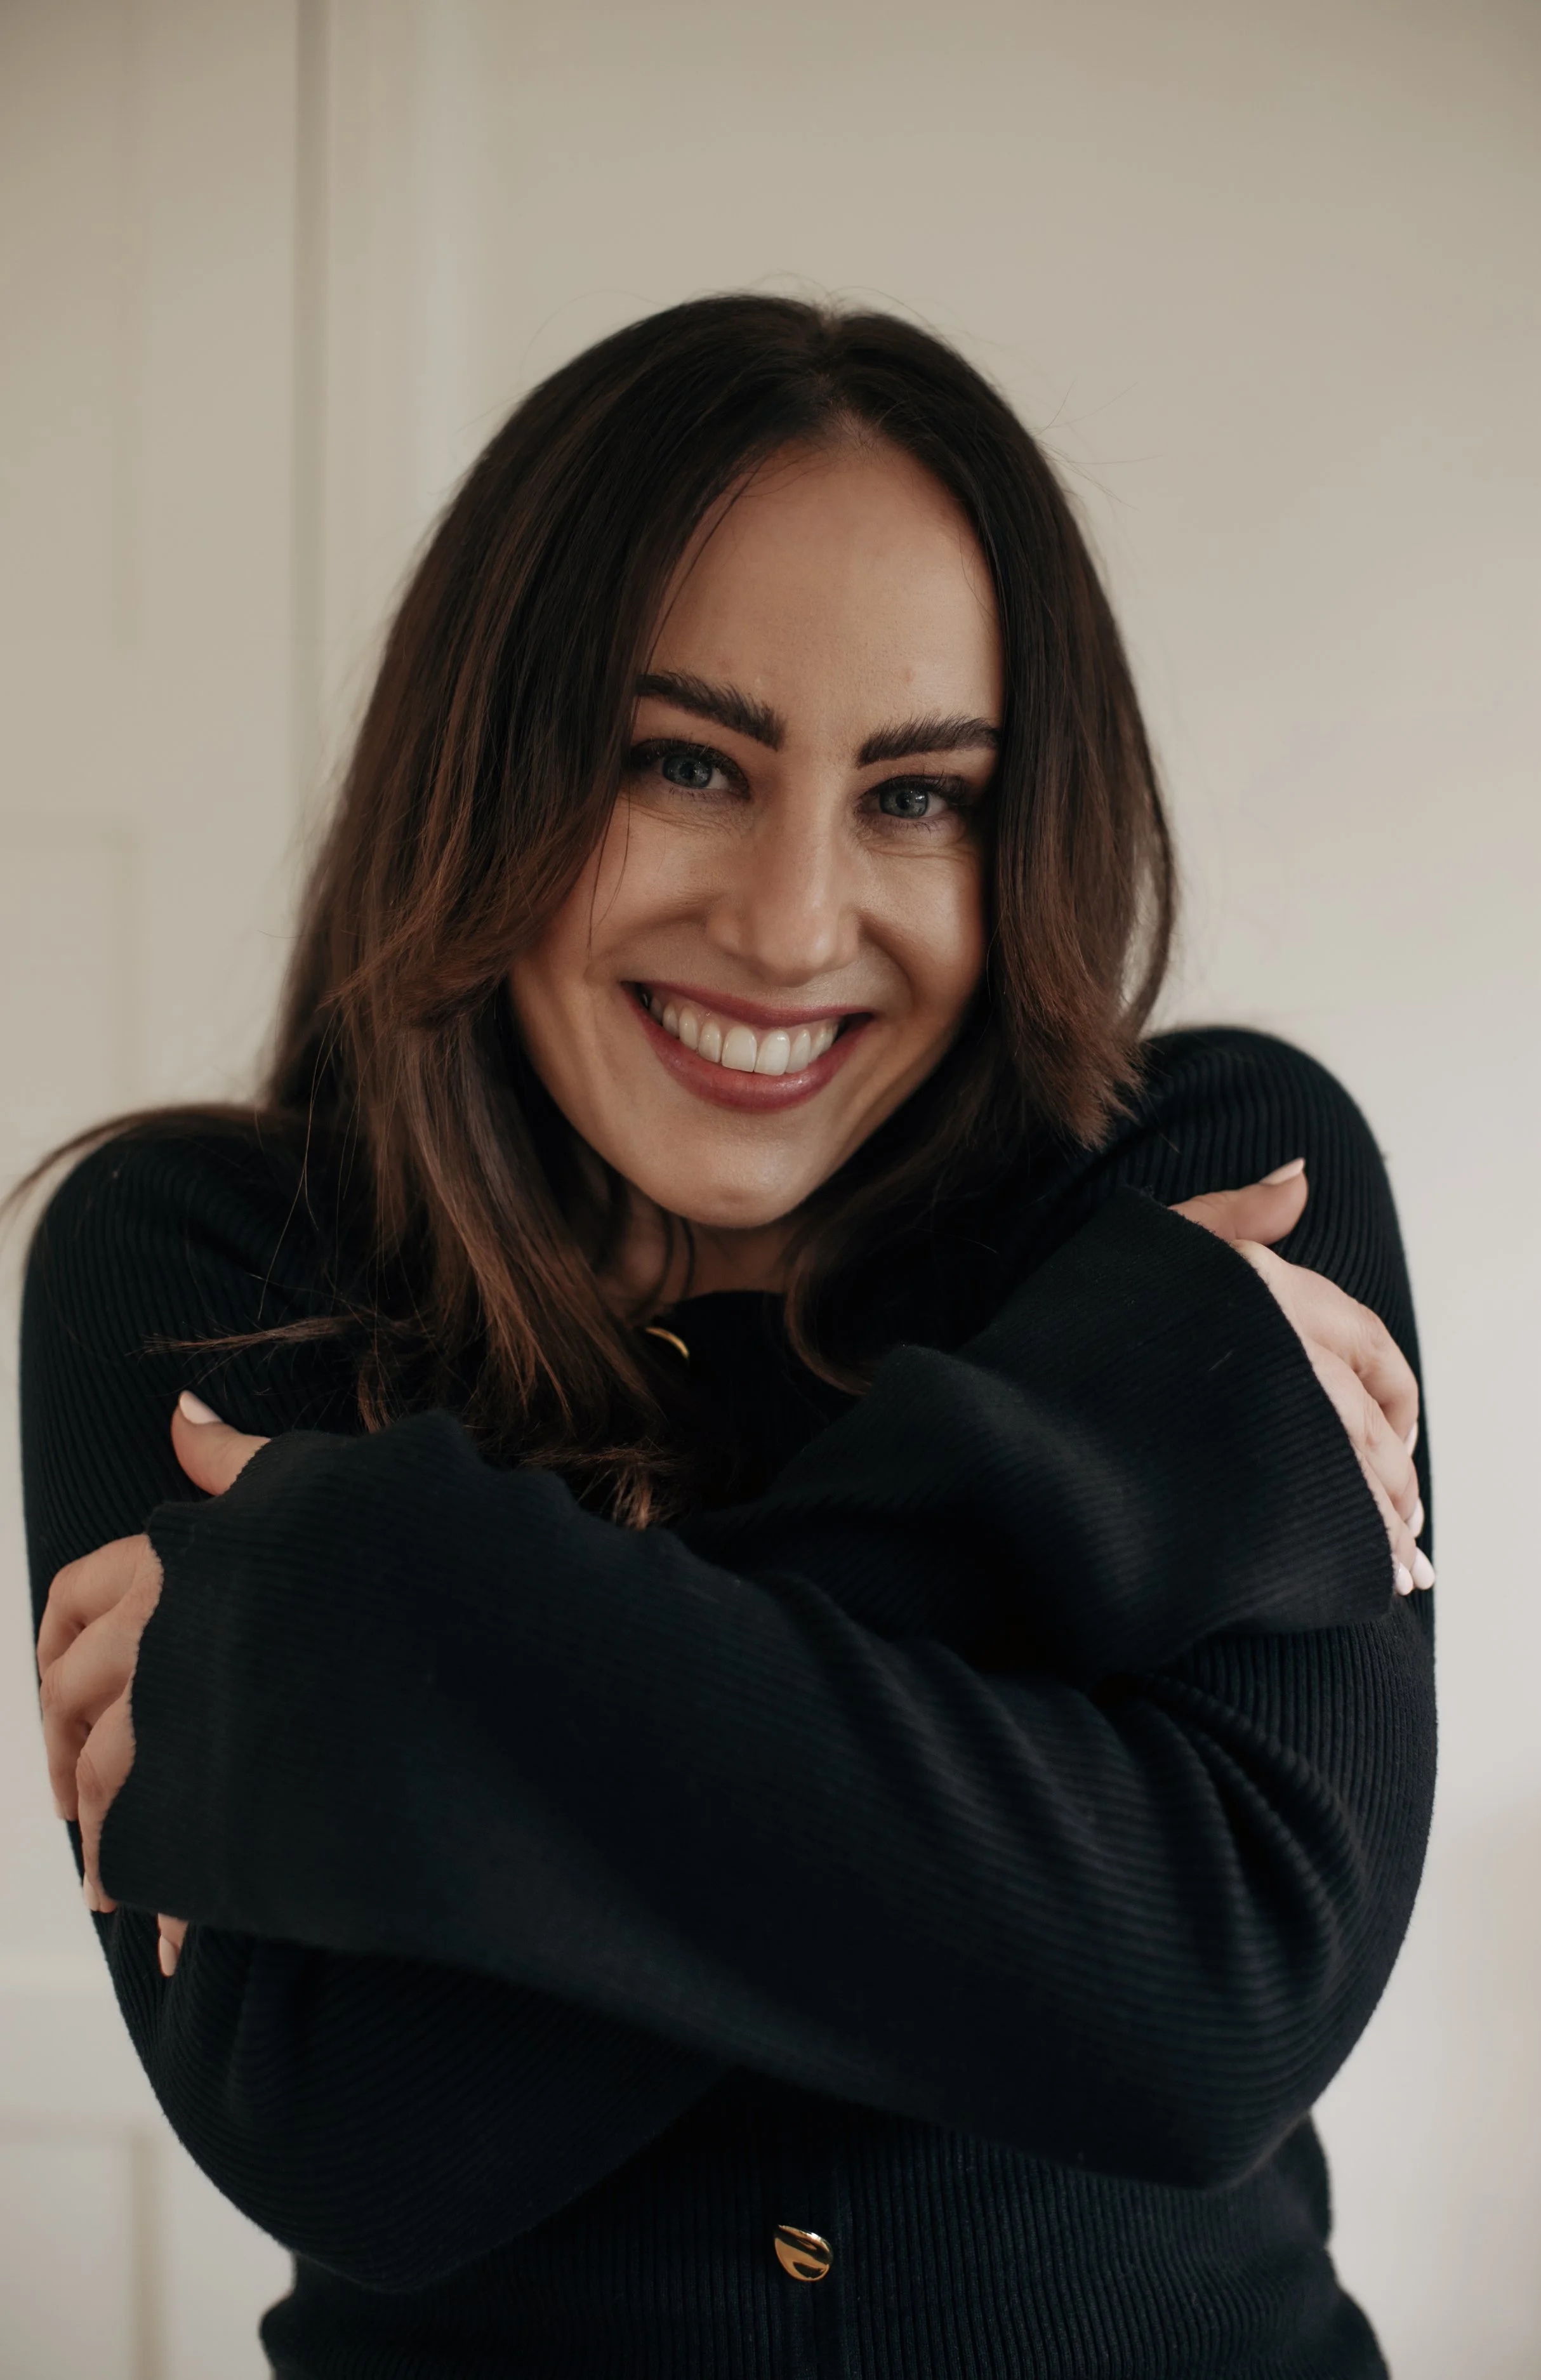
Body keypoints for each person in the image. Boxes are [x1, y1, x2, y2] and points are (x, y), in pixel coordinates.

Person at [23, 295, 1434, 2380]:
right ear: (487, 766)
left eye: (917, 795)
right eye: (684, 763)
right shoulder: (210, 1261)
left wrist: (403, 1609)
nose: (788, 924)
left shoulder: (1221, 1183)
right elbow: (353, 2128)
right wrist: (1047, 1463)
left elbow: (1205, 2011)